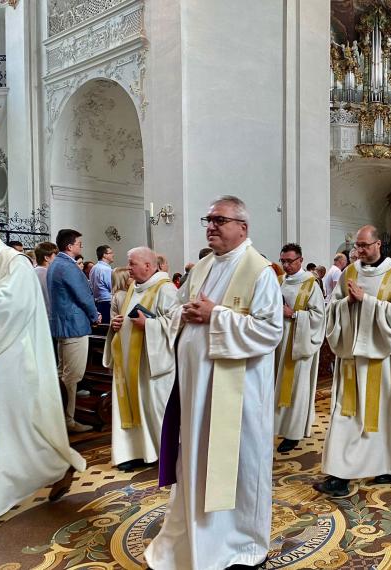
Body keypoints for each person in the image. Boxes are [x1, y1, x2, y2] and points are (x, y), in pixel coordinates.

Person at [146, 196, 283, 570]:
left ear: (243, 227)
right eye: (208, 220)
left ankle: (242, 543)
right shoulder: (204, 266)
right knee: (197, 462)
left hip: (238, 398)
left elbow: (270, 331)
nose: (210, 226)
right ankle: (197, 535)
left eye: (219, 220)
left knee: (238, 468)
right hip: (196, 392)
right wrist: (185, 314)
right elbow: (176, 309)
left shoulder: (260, 271)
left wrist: (216, 315)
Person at [0, 217, 86, 519]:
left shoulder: (16, 264)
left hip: (9, 361)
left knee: (14, 427)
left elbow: (4, 311)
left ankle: (54, 467)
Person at [314, 224, 391, 497]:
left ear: (378, 244)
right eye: (357, 246)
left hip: (383, 359)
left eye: (364, 245)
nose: (359, 250)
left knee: (384, 412)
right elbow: (332, 307)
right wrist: (347, 303)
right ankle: (339, 475)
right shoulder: (349, 272)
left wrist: (367, 300)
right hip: (352, 356)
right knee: (346, 414)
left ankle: (386, 464)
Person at [103, 247, 177, 472]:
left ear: (148, 265)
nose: (128, 268)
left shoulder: (166, 289)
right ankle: (133, 452)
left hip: (151, 364)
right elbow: (125, 319)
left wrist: (150, 325)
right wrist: (116, 323)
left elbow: (176, 324)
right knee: (131, 405)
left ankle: (162, 452)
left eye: (132, 263)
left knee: (153, 408)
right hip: (128, 363)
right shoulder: (133, 288)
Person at [48, 229, 101, 434]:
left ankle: (58, 418)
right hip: (74, 326)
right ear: (69, 246)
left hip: (63, 325)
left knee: (63, 374)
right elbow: (83, 295)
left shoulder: (56, 264)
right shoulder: (68, 266)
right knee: (72, 377)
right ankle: (68, 421)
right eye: (79, 243)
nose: (81, 246)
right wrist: (94, 315)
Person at [274, 243, 325, 453]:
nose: (286, 265)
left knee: (297, 389)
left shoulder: (310, 284)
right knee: (277, 386)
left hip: (299, 343)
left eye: (290, 261)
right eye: (283, 261)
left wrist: (294, 314)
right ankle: (277, 426)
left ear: (300, 260)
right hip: (278, 343)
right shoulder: (279, 281)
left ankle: (293, 433)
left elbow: (319, 316)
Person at [89, 244, 114, 323]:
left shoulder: (94, 268)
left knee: (102, 327)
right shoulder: (106, 269)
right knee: (108, 326)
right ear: (104, 255)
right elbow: (112, 287)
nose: (113, 255)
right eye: (111, 253)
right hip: (107, 303)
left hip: (97, 303)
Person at [34, 241, 58, 315]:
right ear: (47, 258)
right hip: (47, 315)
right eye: (55, 256)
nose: (57, 259)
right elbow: (48, 299)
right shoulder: (47, 274)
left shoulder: (33, 271)